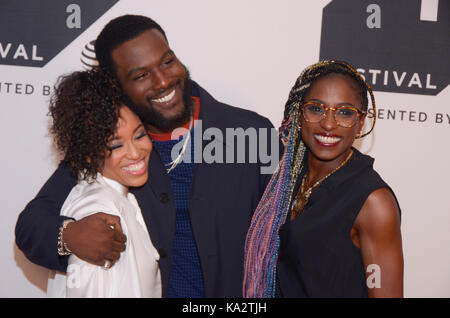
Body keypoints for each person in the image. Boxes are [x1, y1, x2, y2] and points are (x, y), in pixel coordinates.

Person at [15, 15, 275, 298]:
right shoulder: (113, 146)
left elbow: (288, 234)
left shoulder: (250, 132)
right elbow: (32, 224)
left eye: (167, 61)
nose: (163, 81)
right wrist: (69, 236)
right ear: (116, 86)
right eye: (140, 76)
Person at [243, 60, 403, 298]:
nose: (328, 124)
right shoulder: (284, 180)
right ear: (299, 113)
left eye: (345, 112)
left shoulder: (373, 203)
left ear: (360, 123)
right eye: (316, 108)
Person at [45, 69, 161, 297]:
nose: (135, 153)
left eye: (139, 135)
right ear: (89, 153)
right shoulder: (99, 211)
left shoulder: (124, 198)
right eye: (116, 146)